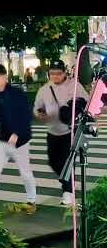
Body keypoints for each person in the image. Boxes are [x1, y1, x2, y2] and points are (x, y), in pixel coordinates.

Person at [33, 60, 89, 205]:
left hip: (70, 131)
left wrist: (75, 108)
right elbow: (37, 108)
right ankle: (67, 181)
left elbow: (86, 102)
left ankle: (68, 192)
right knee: (53, 161)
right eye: (52, 74)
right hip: (53, 131)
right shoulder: (44, 89)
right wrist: (40, 115)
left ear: (64, 73)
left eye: (58, 73)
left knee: (67, 162)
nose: (55, 76)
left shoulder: (74, 86)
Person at [0, 64, 36, 212]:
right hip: (1, 141)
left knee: (25, 172)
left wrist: (17, 133)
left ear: (5, 77)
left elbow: (26, 116)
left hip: (19, 141)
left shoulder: (17, 93)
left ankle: (31, 200)